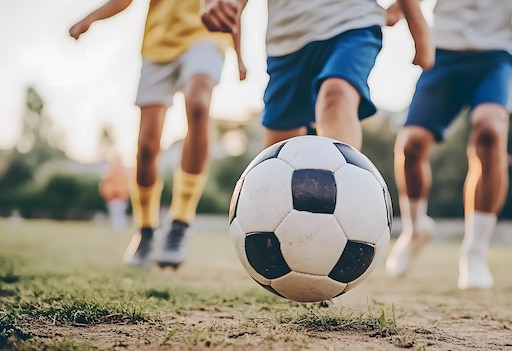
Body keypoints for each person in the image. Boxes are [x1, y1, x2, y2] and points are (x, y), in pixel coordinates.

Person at [385, 0, 512, 289]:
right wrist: (399, 8)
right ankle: (414, 229)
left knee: (489, 133)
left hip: (495, 58)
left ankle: (474, 252)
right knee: (410, 145)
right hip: (443, 55)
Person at [70, 0, 246, 268]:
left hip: (206, 35)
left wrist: (240, 55)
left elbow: (229, 4)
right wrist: (90, 18)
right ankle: (146, 230)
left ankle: (180, 223)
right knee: (146, 146)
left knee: (198, 104)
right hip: (158, 44)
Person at [200, 0, 434, 150]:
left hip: (353, 22)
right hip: (287, 40)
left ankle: (343, 199)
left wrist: (420, 33)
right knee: (280, 148)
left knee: (337, 93)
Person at [99, 157, 130, 230]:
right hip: (114, 196)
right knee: (115, 213)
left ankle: (119, 228)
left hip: (119, 196)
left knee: (118, 213)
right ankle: (117, 228)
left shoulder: (116, 173)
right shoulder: (111, 173)